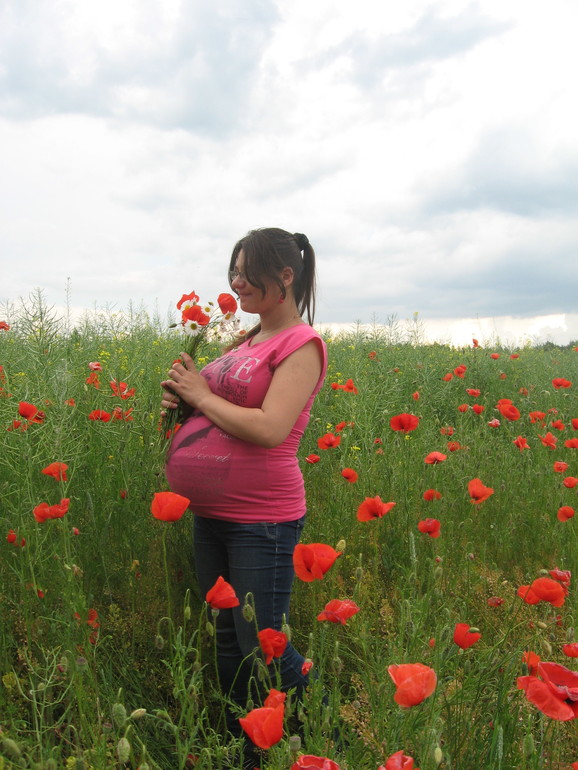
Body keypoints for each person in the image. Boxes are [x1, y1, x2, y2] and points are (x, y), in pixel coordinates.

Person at [161, 228, 327, 765]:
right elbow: (209, 407)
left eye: (245, 271)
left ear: (285, 277)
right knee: (228, 641)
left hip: (263, 520)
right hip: (211, 514)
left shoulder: (300, 345)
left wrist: (202, 395)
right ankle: (248, 749)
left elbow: (271, 428)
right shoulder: (246, 342)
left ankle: (325, 730)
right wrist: (182, 403)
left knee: (264, 645)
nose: (235, 281)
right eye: (232, 270)